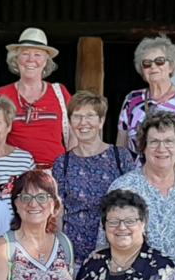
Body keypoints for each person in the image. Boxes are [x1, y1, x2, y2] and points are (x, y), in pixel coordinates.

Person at [107, 110, 175, 261]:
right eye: (154, 141)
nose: (161, 148)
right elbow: (106, 245)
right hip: (138, 276)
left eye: (169, 141)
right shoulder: (123, 188)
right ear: (143, 147)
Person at [51, 91, 137, 267]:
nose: (83, 122)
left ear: (101, 121)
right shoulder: (62, 163)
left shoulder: (120, 157)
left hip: (116, 252)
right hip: (75, 256)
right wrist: (59, 254)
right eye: (77, 116)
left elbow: (134, 205)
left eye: (90, 116)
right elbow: (58, 212)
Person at [116, 35, 175, 183]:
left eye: (159, 61)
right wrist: (121, 184)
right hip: (138, 183)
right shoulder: (132, 100)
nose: (153, 67)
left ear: (171, 66)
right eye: (147, 63)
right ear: (142, 70)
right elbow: (121, 146)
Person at [0, 28, 75, 168]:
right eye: (25, 54)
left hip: (55, 171)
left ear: (45, 62)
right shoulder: (2, 94)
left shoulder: (60, 92)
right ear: (16, 59)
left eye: (38, 55)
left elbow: (74, 133)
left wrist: (71, 168)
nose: (31, 60)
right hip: (15, 171)